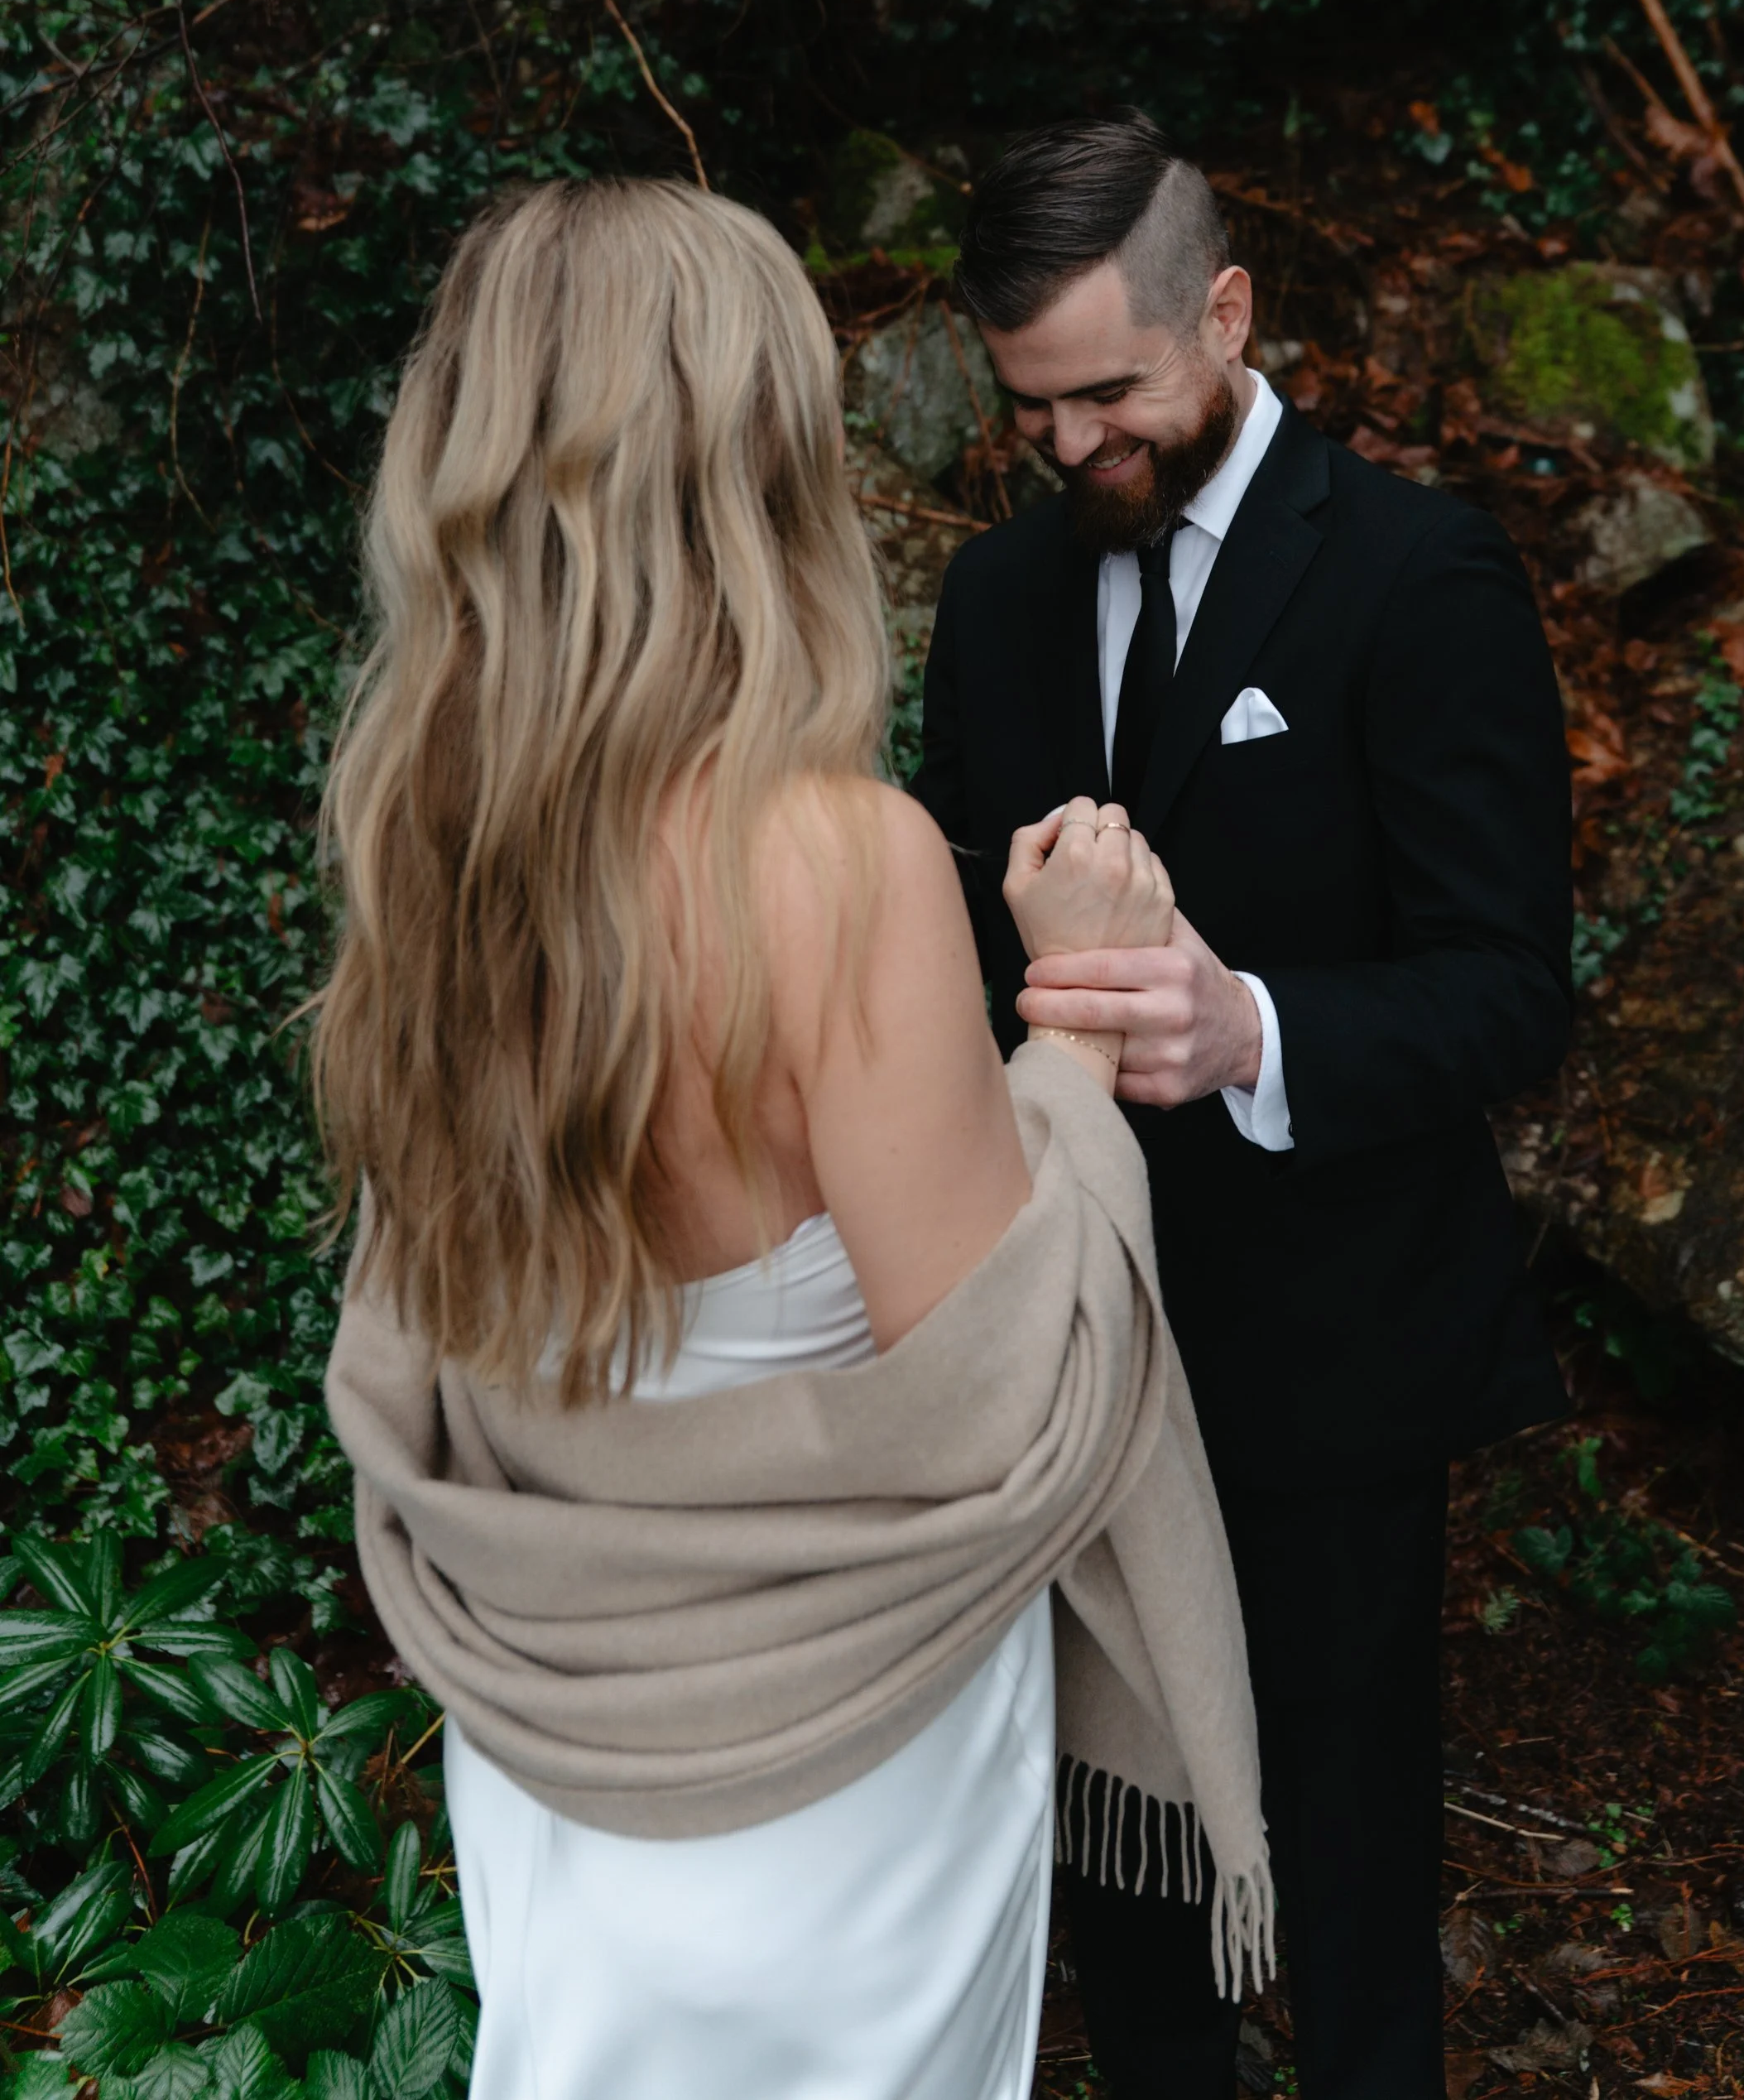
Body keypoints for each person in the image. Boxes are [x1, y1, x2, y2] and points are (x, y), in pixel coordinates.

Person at [315, 175, 1271, 2100]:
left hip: (563, 1759)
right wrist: (1073, 1017)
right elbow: (1006, 1394)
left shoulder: (417, 854)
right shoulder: (833, 861)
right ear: (756, 463)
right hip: (843, 1785)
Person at [911, 113, 1575, 2100]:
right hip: (1073, 1353)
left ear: (1227, 312)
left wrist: (1252, 1031)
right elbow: (949, 949)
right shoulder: (992, 602)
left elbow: (1506, 993)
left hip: (1336, 1349)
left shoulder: (1418, 575)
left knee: (1350, 1858)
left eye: (1108, 392)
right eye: (1031, 408)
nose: (1067, 447)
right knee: (1119, 1857)